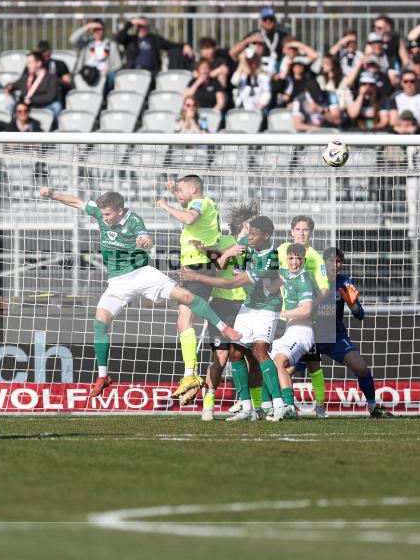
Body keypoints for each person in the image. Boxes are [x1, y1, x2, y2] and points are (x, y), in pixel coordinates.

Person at [39, 188, 240, 399]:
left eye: (107, 214)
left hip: (142, 274)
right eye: (102, 214)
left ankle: (224, 328)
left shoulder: (134, 220)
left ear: (119, 210)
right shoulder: (100, 213)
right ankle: (103, 376)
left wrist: (146, 242)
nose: (103, 218)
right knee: (100, 321)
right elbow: (77, 202)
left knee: (187, 297)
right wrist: (52, 194)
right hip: (117, 282)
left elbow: (147, 239)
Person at [180, 215, 286, 422]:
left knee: (259, 352)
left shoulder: (270, 258)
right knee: (235, 354)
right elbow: (219, 258)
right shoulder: (248, 241)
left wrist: (197, 277)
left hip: (266, 308)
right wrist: (206, 251)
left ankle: (278, 404)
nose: (249, 237)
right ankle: (247, 407)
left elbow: (232, 284)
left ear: (267, 236)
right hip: (248, 306)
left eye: (254, 234)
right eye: (249, 232)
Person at [156, 176, 222, 401]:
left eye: (182, 189)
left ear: (194, 189)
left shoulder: (200, 204)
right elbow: (187, 204)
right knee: (183, 321)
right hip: (199, 266)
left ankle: (191, 375)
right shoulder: (205, 203)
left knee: (186, 321)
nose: (178, 194)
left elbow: (189, 217)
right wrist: (175, 190)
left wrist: (165, 205)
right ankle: (190, 375)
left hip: (199, 267)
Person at [311, 247, 393, 418]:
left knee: (361, 367)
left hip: (335, 335)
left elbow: (360, 315)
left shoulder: (345, 282)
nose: (335, 264)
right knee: (287, 368)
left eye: (339, 261)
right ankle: (274, 406)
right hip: (312, 335)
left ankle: (373, 407)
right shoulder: (314, 280)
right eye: (331, 261)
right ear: (323, 263)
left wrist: (353, 303)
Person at [200, 202, 260, 420]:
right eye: (248, 226)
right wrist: (229, 252)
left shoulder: (254, 248)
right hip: (222, 305)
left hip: (246, 307)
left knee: (248, 356)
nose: (251, 230)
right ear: (240, 226)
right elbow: (214, 269)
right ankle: (209, 401)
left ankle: (249, 404)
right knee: (221, 356)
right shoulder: (223, 242)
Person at [277, 216, 330, 418]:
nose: (301, 233)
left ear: (311, 233)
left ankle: (319, 405)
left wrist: (309, 306)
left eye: (305, 229)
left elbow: (324, 288)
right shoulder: (282, 250)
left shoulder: (316, 257)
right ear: (291, 231)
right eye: (297, 229)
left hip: (303, 320)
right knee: (278, 364)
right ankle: (282, 404)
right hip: (279, 318)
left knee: (313, 364)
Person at [270, 244, 319, 419]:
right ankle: (271, 406)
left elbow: (306, 310)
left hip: (302, 331)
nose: (295, 262)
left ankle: (288, 407)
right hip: (290, 331)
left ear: (304, 260)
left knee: (278, 362)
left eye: (299, 258)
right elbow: (268, 277)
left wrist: (277, 314)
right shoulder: (285, 273)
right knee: (271, 366)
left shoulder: (304, 279)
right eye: (291, 258)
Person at [113, 17, 192, 74]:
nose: (142, 28)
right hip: (133, 70)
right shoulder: (130, 40)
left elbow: (171, 45)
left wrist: (184, 46)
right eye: (140, 26)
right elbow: (118, 38)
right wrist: (130, 23)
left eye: (144, 26)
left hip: (151, 72)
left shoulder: (155, 39)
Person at [229, 7, 290, 77]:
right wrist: (249, 40)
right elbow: (232, 53)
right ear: (261, 21)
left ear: (275, 20)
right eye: (265, 19)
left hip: (277, 73)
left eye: (271, 19)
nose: (268, 21)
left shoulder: (282, 36)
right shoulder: (254, 35)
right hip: (257, 71)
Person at [6, 51, 62, 120]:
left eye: (30, 62)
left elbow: (50, 97)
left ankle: (55, 129)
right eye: (27, 62)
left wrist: (32, 100)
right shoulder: (26, 77)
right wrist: (9, 86)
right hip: (28, 106)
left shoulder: (51, 77)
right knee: (10, 106)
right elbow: (13, 84)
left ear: (39, 63)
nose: (27, 65)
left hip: (45, 105)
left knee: (56, 106)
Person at [69, 19, 120, 91]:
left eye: (99, 29)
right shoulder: (87, 44)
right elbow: (72, 39)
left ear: (104, 30)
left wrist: (109, 70)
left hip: (103, 73)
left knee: (111, 76)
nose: (97, 32)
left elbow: (118, 65)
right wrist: (86, 27)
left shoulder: (111, 45)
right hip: (87, 72)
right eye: (95, 29)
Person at [231, 44, 272, 112]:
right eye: (247, 60)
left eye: (253, 59)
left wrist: (260, 105)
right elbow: (234, 82)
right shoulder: (241, 76)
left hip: (257, 111)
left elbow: (267, 93)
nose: (250, 62)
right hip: (241, 110)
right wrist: (242, 62)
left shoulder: (263, 77)